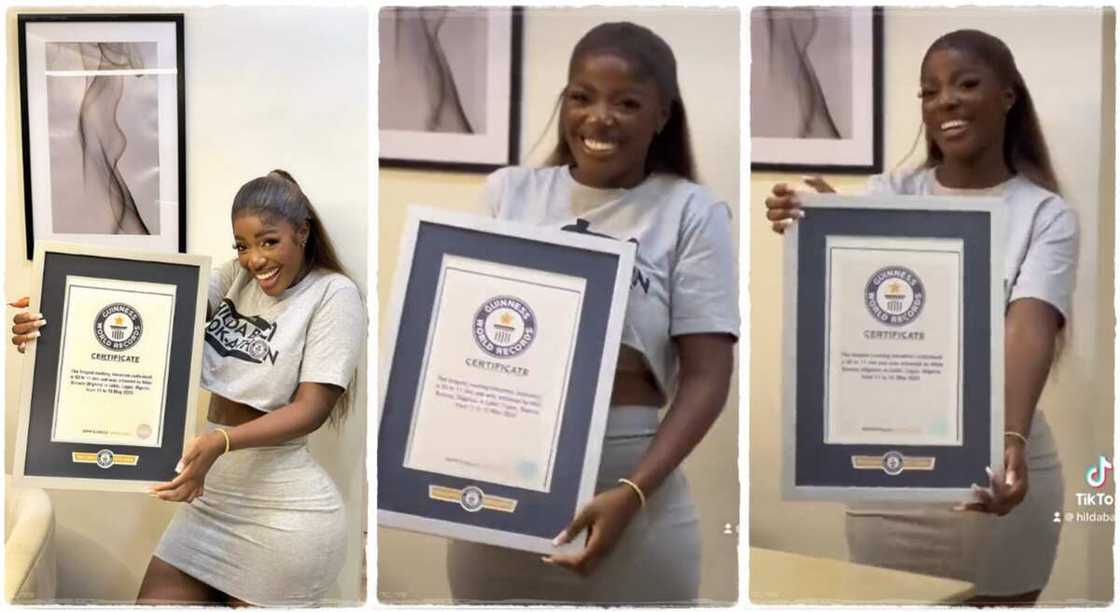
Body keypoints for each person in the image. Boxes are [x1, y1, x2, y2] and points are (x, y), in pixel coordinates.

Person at [764, 30, 1077, 604]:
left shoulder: (1044, 213)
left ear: (1008, 96)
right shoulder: (890, 192)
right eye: (929, 91)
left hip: (997, 478)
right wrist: (817, 223)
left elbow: (1029, 324)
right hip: (886, 482)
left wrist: (1007, 438)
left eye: (965, 84)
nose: (945, 102)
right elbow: (863, 304)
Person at [444, 22, 739, 604]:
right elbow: (462, 343)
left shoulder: (692, 211)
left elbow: (708, 376)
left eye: (627, 102)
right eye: (582, 97)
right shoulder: (510, 194)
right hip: (499, 499)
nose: (599, 117)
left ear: (662, 114)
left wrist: (632, 492)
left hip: (631, 500)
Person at [10, 170, 365, 606]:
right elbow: (148, 316)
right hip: (212, 502)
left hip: (285, 514)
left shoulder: (334, 294)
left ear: (302, 231)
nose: (255, 259)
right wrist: (51, 322)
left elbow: (312, 409)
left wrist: (221, 441)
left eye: (269, 242)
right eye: (243, 245)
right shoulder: (236, 277)